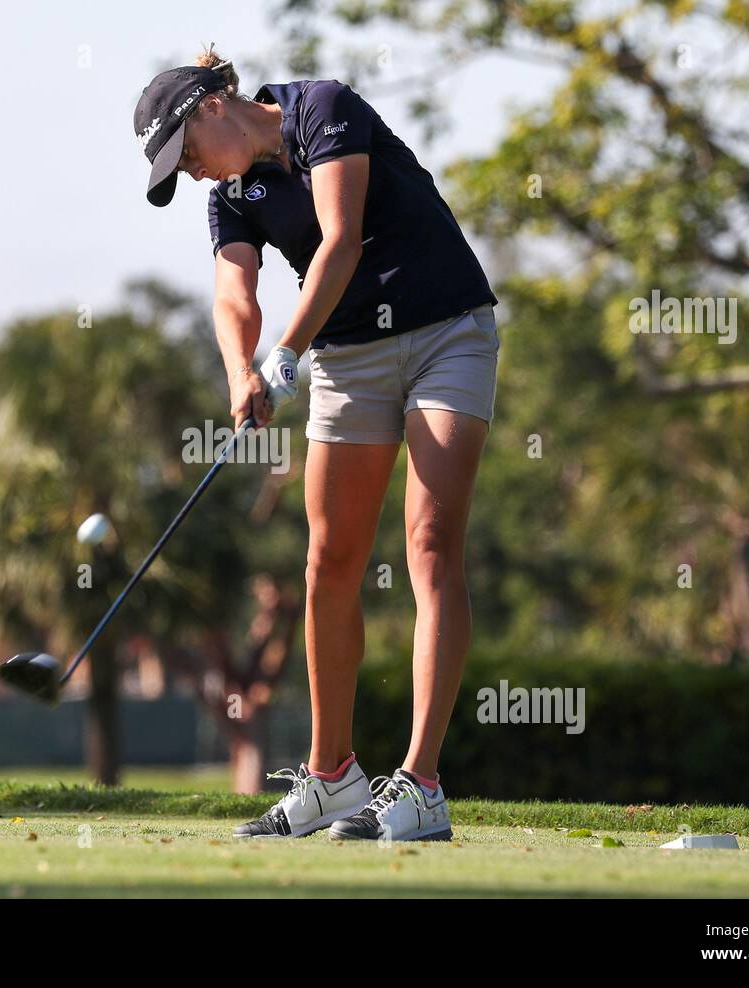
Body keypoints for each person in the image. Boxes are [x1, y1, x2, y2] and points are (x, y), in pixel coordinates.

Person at [133, 45, 499, 842]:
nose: (194, 172)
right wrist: (240, 370)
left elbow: (340, 239)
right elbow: (235, 290)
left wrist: (286, 355)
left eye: (188, 153)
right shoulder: (230, 196)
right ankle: (333, 776)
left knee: (430, 544)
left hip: (446, 334)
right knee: (329, 559)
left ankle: (423, 786)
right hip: (346, 360)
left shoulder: (322, 109)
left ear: (211, 107)